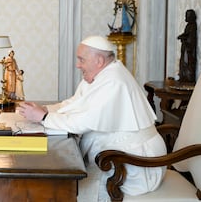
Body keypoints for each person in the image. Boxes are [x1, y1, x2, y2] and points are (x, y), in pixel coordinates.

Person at [16, 35, 166, 201]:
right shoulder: (100, 75)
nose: (77, 65)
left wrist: (44, 117)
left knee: (66, 185)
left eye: (81, 59)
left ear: (99, 61)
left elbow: (83, 122)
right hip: (119, 156)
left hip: (135, 165)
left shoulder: (114, 81)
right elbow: (75, 103)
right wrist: (45, 109)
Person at [178, 9, 197, 82]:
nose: (185, 17)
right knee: (183, 62)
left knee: (187, 63)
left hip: (189, 49)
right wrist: (181, 36)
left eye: (187, 16)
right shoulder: (188, 26)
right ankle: (182, 76)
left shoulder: (193, 26)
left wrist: (183, 39)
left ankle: (188, 78)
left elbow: (191, 38)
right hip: (185, 47)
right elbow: (186, 34)